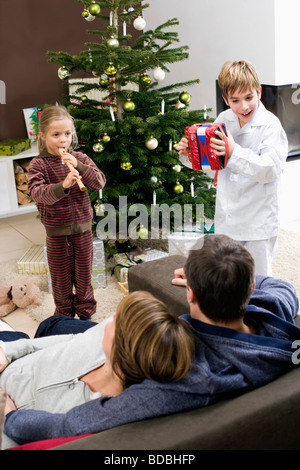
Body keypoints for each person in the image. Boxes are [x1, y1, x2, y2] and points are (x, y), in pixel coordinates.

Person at [2, 235, 299, 447]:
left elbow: (74, 424)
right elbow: (281, 286)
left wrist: (12, 419)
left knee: (44, 326)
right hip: (119, 342)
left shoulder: (190, 378)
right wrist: (223, 275)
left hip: (101, 360)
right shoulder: (275, 316)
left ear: (191, 294)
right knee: (51, 326)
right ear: (247, 288)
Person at [0, 291, 195, 449]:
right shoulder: (102, 338)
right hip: (12, 357)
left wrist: (6, 418)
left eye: (117, 322)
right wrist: (11, 350)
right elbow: (71, 341)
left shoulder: (87, 418)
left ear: (120, 352)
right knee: (46, 325)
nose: (112, 317)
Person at [177, 60, 288, 276]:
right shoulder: (223, 119)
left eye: (249, 97)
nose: (244, 106)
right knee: (229, 277)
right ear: (226, 100)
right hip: (228, 217)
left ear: (259, 92)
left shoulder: (270, 125)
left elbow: (270, 169)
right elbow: (211, 163)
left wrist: (233, 151)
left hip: (258, 221)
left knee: (258, 279)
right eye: (235, 100)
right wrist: (190, 155)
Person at [27, 105, 106, 320]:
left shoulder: (80, 157)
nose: (63, 140)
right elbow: (36, 193)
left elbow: (99, 182)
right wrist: (63, 185)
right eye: (56, 135)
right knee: (61, 281)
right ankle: (64, 319)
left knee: (84, 277)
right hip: (56, 234)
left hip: (83, 231)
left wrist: (79, 167)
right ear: (42, 136)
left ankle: (86, 316)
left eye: (67, 134)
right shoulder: (38, 164)